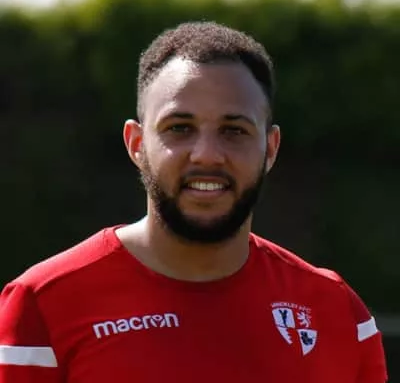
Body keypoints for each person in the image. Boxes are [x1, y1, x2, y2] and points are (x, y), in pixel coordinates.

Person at [0, 21, 387, 383]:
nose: (207, 155)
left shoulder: (337, 313)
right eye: (179, 128)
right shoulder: (43, 304)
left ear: (270, 149)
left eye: (234, 131)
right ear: (137, 144)